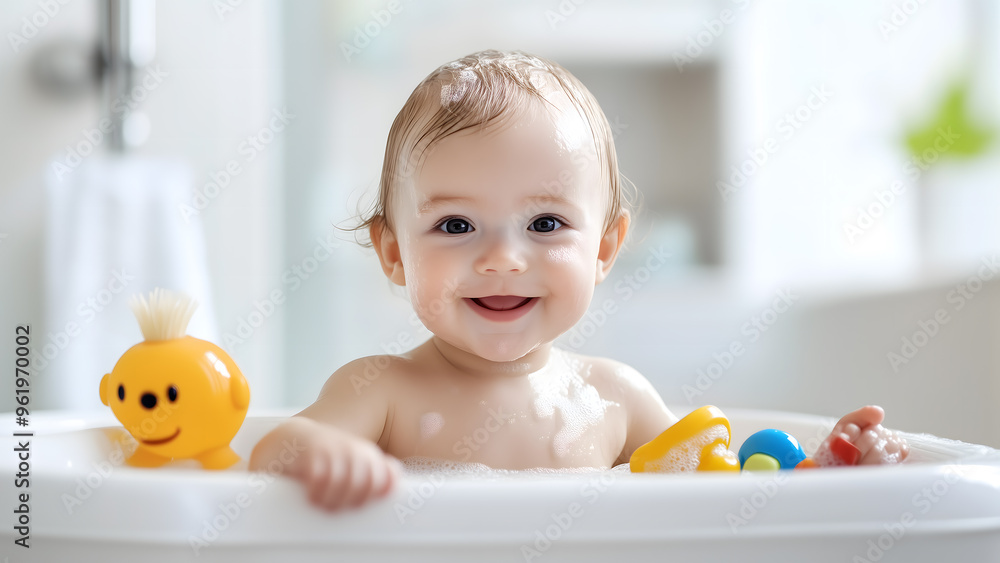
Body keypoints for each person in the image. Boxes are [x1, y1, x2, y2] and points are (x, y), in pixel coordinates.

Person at [249, 50, 908, 511]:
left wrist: (826, 471)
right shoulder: (381, 388)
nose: (504, 258)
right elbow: (276, 446)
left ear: (605, 247)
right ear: (393, 253)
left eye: (544, 222)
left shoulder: (615, 398)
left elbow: (723, 493)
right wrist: (322, 457)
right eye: (455, 226)